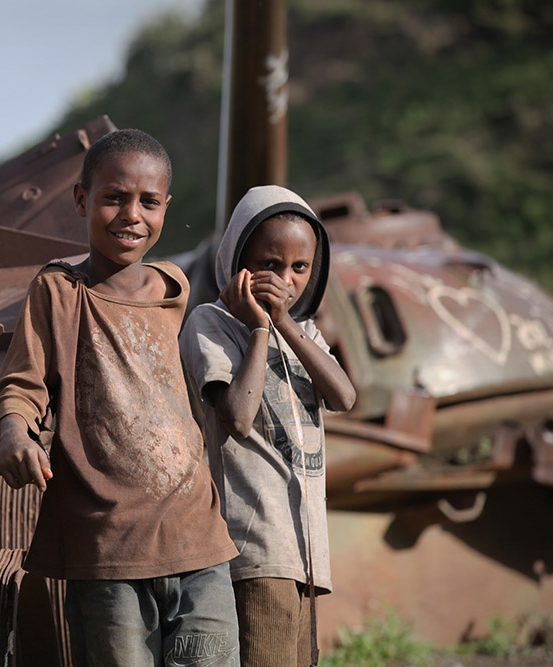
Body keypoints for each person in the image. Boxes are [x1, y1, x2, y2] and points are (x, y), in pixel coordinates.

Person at [0, 128, 241, 667]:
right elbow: (23, 381)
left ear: (166, 207)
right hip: (107, 546)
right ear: (82, 199)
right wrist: (13, 432)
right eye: (114, 198)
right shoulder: (58, 291)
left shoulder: (174, 291)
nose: (131, 215)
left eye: (148, 202)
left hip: (197, 534)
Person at [179, 185, 356, 667]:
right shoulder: (211, 324)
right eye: (269, 264)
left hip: (306, 554)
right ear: (239, 261)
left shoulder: (306, 333)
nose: (285, 279)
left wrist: (286, 324)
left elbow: (344, 396)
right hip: (255, 548)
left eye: (299, 268)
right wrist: (260, 327)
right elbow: (236, 416)